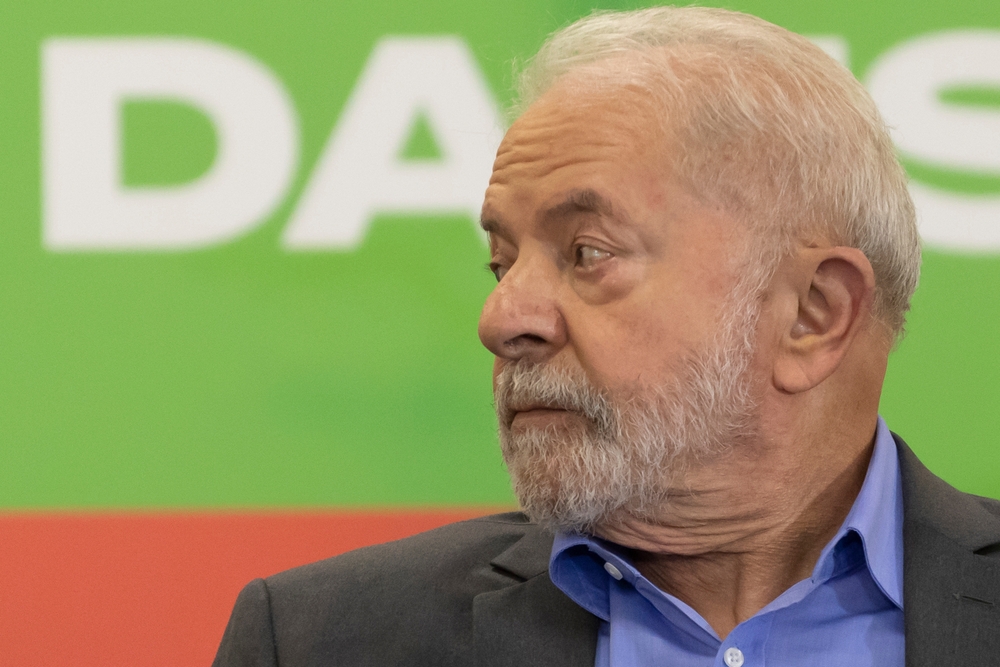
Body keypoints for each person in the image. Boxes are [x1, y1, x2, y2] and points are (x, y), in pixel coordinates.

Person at [213, 6, 1000, 666]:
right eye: (501, 263)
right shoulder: (321, 641)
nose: (501, 319)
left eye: (588, 253)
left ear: (813, 314)